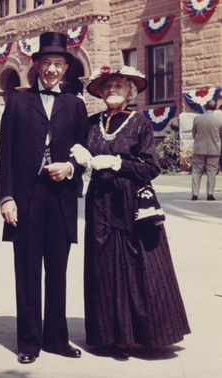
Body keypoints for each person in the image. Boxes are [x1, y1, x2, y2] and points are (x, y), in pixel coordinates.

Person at [73, 65, 190, 359]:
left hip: (130, 202)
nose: (112, 90)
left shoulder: (140, 123)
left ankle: (134, 336)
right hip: (99, 201)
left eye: (119, 86)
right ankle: (108, 335)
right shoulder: (89, 123)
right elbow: (72, 150)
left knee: (133, 263)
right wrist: (80, 155)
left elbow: (151, 167)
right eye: (108, 86)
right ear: (100, 92)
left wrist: (117, 163)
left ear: (129, 93)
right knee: (103, 264)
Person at [0, 31, 88, 364]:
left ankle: (57, 338)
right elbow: (4, 152)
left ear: (66, 68)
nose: (51, 70)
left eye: (58, 64)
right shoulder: (18, 102)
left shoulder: (75, 105)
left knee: (58, 272)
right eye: (46, 63)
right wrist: (6, 197)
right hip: (26, 199)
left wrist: (71, 167)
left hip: (60, 199)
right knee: (28, 271)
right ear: (36, 65)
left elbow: (84, 151)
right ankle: (29, 341)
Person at [191, 99, 222, 201]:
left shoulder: (197, 119)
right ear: (215, 108)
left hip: (199, 148)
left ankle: (195, 194)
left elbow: (193, 134)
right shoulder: (219, 120)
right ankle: (210, 194)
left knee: (196, 171)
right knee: (211, 172)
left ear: (205, 107)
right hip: (213, 149)